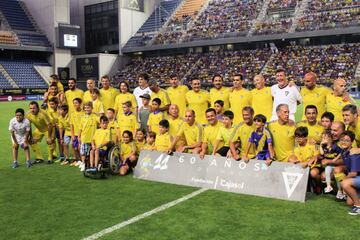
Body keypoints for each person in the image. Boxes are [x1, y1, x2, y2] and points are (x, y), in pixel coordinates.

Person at [289, 126, 321, 192]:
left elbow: (316, 156)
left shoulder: (312, 145)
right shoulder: (296, 148)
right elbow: (294, 159)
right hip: (302, 166)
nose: (298, 139)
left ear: (306, 137)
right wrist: (293, 160)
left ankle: (319, 186)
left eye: (300, 137)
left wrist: (307, 163)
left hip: (314, 166)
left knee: (313, 173)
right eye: (296, 137)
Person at [339, 131, 360, 215]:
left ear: (352, 142)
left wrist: (343, 180)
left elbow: (353, 173)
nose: (344, 142)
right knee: (349, 202)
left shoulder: (353, 153)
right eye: (342, 140)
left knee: (345, 183)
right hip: (357, 179)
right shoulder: (343, 152)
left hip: (357, 177)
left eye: (347, 140)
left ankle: (358, 207)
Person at [319, 130, 342, 194]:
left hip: (337, 165)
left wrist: (336, 158)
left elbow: (341, 152)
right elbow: (322, 153)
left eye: (325, 138)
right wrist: (320, 145)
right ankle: (328, 186)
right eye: (322, 138)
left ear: (331, 139)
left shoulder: (335, 147)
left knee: (337, 177)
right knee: (327, 171)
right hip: (329, 165)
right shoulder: (324, 146)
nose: (323, 139)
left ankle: (340, 191)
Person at [78, 102, 99, 172]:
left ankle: (91, 164)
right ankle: (83, 164)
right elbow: (80, 128)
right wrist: (79, 137)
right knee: (83, 152)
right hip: (84, 137)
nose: (87, 109)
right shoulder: (82, 117)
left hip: (93, 139)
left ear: (92, 108)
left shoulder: (95, 116)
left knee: (90, 153)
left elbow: (101, 121)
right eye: (85, 108)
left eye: (88, 108)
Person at [69, 98, 84, 165]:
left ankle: (82, 160)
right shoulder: (72, 114)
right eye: (74, 103)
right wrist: (72, 135)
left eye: (76, 103)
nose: (75, 104)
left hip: (82, 134)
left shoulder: (84, 113)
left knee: (79, 147)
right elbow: (71, 125)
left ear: (80, 104)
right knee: (74, 146)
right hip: (75, 134)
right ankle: (77, 160)